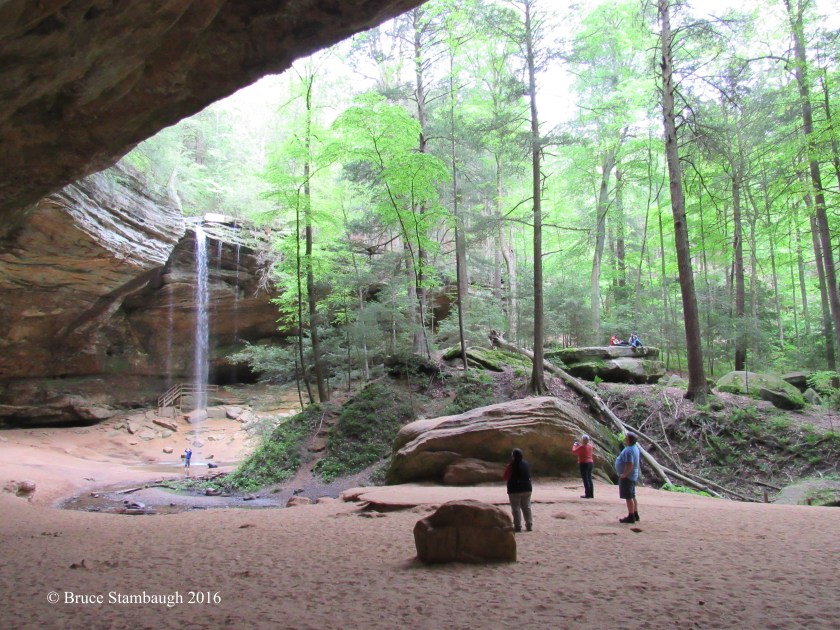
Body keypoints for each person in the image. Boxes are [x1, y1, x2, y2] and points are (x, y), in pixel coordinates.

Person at [503, 448, 533, 532]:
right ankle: (529, 525)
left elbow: (505, 477)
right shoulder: (526, 463)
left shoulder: (511, 466)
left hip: (514, 489)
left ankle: (517, 526)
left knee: (516, 508)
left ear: (513, 456)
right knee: (526, 507)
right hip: (527, 488)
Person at [615, 433, 641, 523]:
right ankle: (635, 514)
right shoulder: (635, 448)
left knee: (628, 497)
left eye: (626, 438)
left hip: (628, 477)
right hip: (632, 476)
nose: (625, 439)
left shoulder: (629, 450)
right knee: (632, 495)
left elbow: (629, 464)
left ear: (629, 440)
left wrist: (624, 474)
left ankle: (631, 516)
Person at [572, 435, 594, 499]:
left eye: (582, 439)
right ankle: (591, 494)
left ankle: (587, 494)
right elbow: (583, 450)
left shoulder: (582, 447)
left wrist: (575, 445)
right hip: (590, 463)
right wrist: (578, 445)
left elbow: (574, 451)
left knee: (585, 479)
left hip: (584, 463)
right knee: (589, 478)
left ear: (584, 440)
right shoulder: (590, 446)